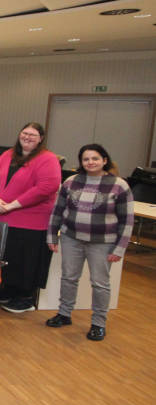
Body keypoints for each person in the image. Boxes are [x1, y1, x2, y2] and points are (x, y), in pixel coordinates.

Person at [45, 144, 133, 341]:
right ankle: (64, 314)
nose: (90, 162)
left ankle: (98, 323)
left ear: (104, 160)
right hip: (71, 238)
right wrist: (52, 235)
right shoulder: (70, 182)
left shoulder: (119, 185)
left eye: (95, 158)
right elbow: (57, 211)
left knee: (100, 284)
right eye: (86, 159)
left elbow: (127, 220)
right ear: (81, 162)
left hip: (102, 243)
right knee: (69, 278)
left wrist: (120, 248)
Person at [0, 123, 61, 314]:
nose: (27, 137)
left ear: (41, 138)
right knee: (7, 257)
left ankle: (24, 297)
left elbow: (46, 187)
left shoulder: (48, 159)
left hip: (29, 220)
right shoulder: (8, 154)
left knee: (24, 260)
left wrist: (12, 205)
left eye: (33, 134)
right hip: (1, 215)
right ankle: (6, 290)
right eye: (25, 133)